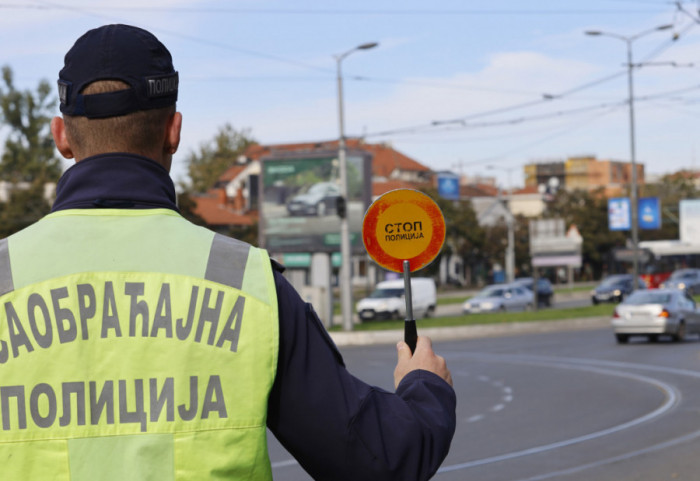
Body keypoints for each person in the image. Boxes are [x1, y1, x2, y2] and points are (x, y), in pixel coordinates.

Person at [0, 24, 456, 480]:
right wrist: (424, 386)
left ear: (61, 136)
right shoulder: (248, 282)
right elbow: (378, 460)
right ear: (174, 131)